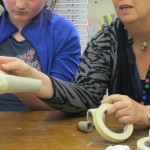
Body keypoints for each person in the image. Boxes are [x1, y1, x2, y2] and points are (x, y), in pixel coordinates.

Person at [0, 0, 149, 128]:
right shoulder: (105, 40)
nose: (19, 4)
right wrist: (29, 78)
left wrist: (146, 114)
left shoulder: (62, 32)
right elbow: (85, 99)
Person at [0, 0, 81, 111]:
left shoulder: (65, 33)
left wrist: (16, 84)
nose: (20, 5)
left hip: (42, 124)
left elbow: (60, 103)